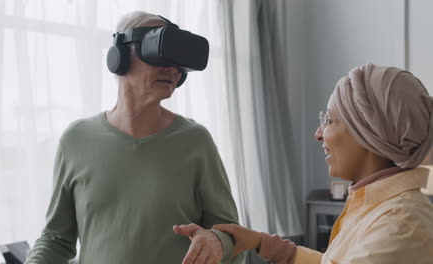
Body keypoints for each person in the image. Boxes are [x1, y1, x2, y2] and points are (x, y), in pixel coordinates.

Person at [25, 11, 241, 264]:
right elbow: (56, 240)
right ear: (120, 56)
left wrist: (218, 241)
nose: (172, 69)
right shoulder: (76, 140)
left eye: (178, 61)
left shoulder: (195, 141)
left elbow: (233, 236)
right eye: (158, 53)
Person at [178, 63, 433, 263]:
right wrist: (265, 244)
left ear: (367, 133)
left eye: (330, 120)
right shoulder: (379, 209)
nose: (319, 133)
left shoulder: (401, 224)